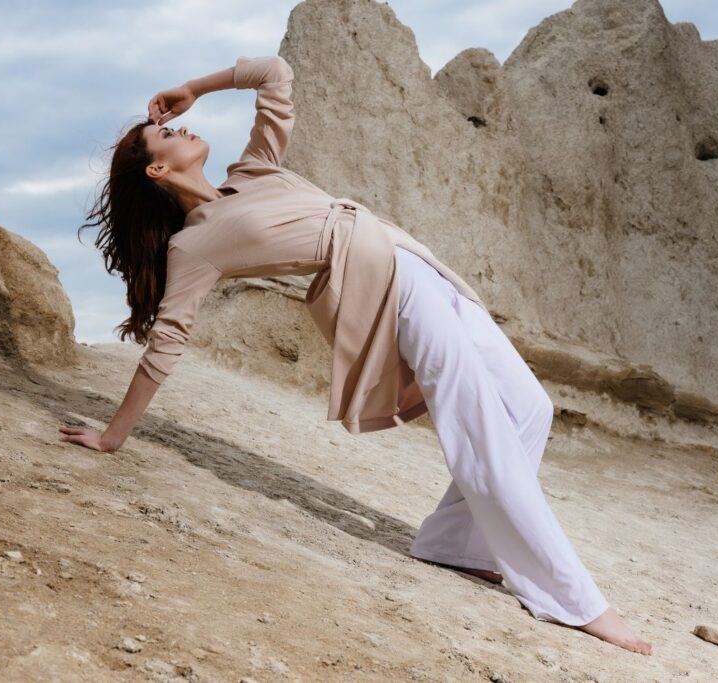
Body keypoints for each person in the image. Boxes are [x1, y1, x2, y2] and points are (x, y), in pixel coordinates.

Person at [59, 55, 651, 655]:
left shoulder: (254, 170)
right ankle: (575, 601)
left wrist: (194, 88)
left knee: (530, 408)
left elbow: (276, 75)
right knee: (482, 429)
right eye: (164, 135)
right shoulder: (195, 244)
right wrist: (114, 436)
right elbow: (168, 340)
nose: (180, 127)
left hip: (420, 265)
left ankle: (454, 545)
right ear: (158, 169)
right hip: (386, 294)